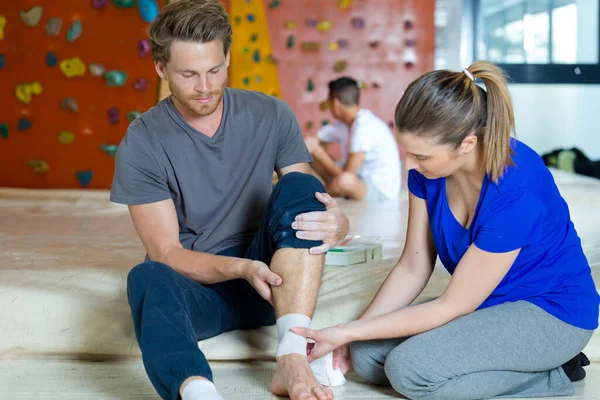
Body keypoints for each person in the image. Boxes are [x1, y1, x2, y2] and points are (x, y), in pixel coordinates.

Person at [291, 61, 599, 400]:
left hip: (549, 311)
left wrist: (345, 330)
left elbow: (453, 305)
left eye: (421, 155)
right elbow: (413, 265)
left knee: (410, 371)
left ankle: (554, 372)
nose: (410, 165)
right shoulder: (428, 173)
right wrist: (351, 336)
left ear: (467, 144)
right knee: (366, 356)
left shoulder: (516, 189)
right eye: (407, 152)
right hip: (488, 305)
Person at [109, 1, 350, 399]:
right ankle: (198, 391)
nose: (204, 87)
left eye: (214, 70)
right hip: (203, 289)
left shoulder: (272, 114)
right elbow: (167, 252)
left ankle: (292, 356)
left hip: (276, 285)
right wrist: (241, 268)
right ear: (161, 69)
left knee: (301, 187)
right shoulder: (142, 142)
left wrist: (339, 223)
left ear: (227, 59)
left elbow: (308, 201)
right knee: (147, 276)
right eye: (188, 74)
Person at [304, 77, 401, 202]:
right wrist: (311, 148)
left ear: (335, 103)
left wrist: (319, 152)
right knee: (309, 153)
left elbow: (348, 175)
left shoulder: (364, 126)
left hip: (380, 190)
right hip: (359, 179)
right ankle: (319, 191)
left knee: (345, 181)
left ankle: (313, 196)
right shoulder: (344, 124)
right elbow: (310, 142)